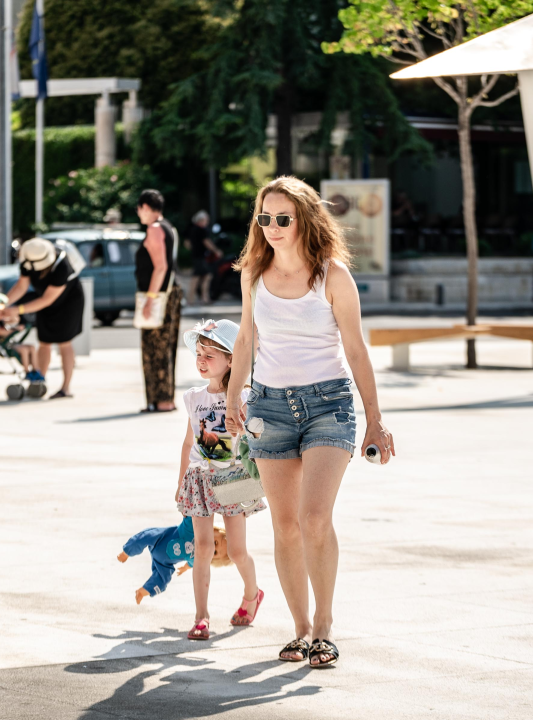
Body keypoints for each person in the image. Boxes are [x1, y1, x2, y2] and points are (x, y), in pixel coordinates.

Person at [225, 176, 395, 668]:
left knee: (314, 518)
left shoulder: (331, 276)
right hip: (270, 408)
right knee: (284, 525)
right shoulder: (254, 274)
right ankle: (299, 630)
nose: (273, 228)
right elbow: (245, 341)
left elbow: (356, 349)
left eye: (283, 218)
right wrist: (235, 396)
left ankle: (324, 625)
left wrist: (375, 420)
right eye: (265, 218)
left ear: (304, 220)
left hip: (329, 405)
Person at [177, 319, 266, 641]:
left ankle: (252, 594)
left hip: (233, 477)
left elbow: (256, 434)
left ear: (232, 360)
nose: (201, 360)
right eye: (198, 353)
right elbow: (189, 444)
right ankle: (201, 617)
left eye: (209, 355)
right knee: (200, 548)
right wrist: (180, 483)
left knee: (238, 550)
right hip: (198, 478)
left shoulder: (243, 397)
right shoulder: (192, 398)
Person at [5, 238, 84, 399]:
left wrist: (18, 310)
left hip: (68, 302)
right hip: (44, 302)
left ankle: (65, 388)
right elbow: (21, 286)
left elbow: (47, 299)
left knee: (64, 342)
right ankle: (39, 383)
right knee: (44, 341)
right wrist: (3, 303)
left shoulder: (62, 265)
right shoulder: (29, 259)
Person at [135, 189, 181, 413]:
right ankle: (165, 399)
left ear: (145, 207)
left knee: (154, 349)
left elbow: (161, 266)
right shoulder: (168, 227)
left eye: (139, 210)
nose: (139, 215)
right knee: (166, 347)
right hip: (170, 293)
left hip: (159, 296)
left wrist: (150, 299)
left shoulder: (154, 229)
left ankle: (161, 400)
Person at [118, 518, 231, 604]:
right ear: (213, 529)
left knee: (163, 580)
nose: (212, 548)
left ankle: (144, 591)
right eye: (215, 542)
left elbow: (190, 564)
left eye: (215, 553)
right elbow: (190, 512)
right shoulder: (193, 527)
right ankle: (126, 552)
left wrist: (185, 568)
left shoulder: (197, 558)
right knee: (144, 537)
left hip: (164, 562)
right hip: (160, 538)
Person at [0, 292, 41, 384]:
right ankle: (27, 372)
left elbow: (16, 320)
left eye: (0, 311)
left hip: (10, 343)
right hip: (1, 346)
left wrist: (7, 314)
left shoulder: (2, 321)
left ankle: (36, 371)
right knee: (24, 350)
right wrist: (14, 330)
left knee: (32, 347)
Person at [187, 211, 221, 306]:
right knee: (205, 276)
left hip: (196, 256)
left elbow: (187, 243)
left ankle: (194, 298)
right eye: (206, 219)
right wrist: (216, 251)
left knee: (198, 277)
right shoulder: (202, 230)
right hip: (200, 257)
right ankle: (202, 298)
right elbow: (207, 242)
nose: (208, 221)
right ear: (201, 220)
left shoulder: (193, 229)